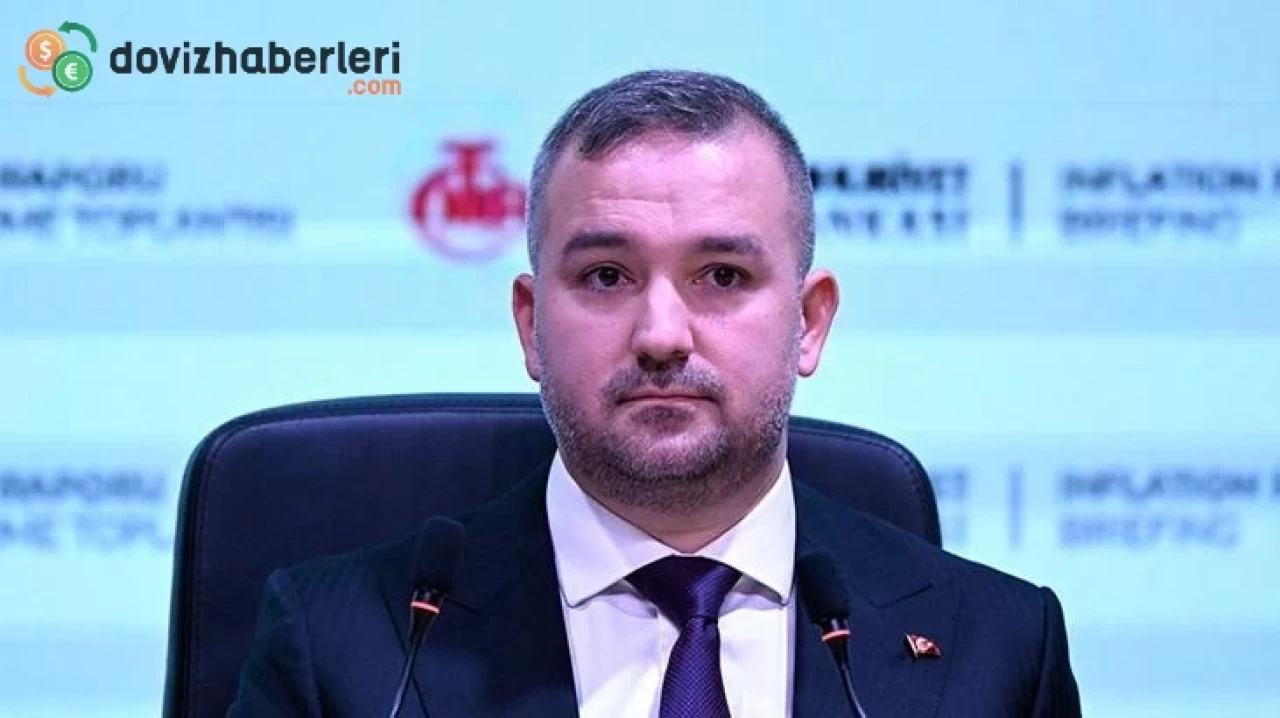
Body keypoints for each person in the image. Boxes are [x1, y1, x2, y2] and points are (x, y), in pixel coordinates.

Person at [228, 69, 1081, 717]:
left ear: (809, 322)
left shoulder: (1000, 646)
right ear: (530, 324)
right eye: (606, 275)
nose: (662, 335)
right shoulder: (343, 648)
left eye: (722, 275)